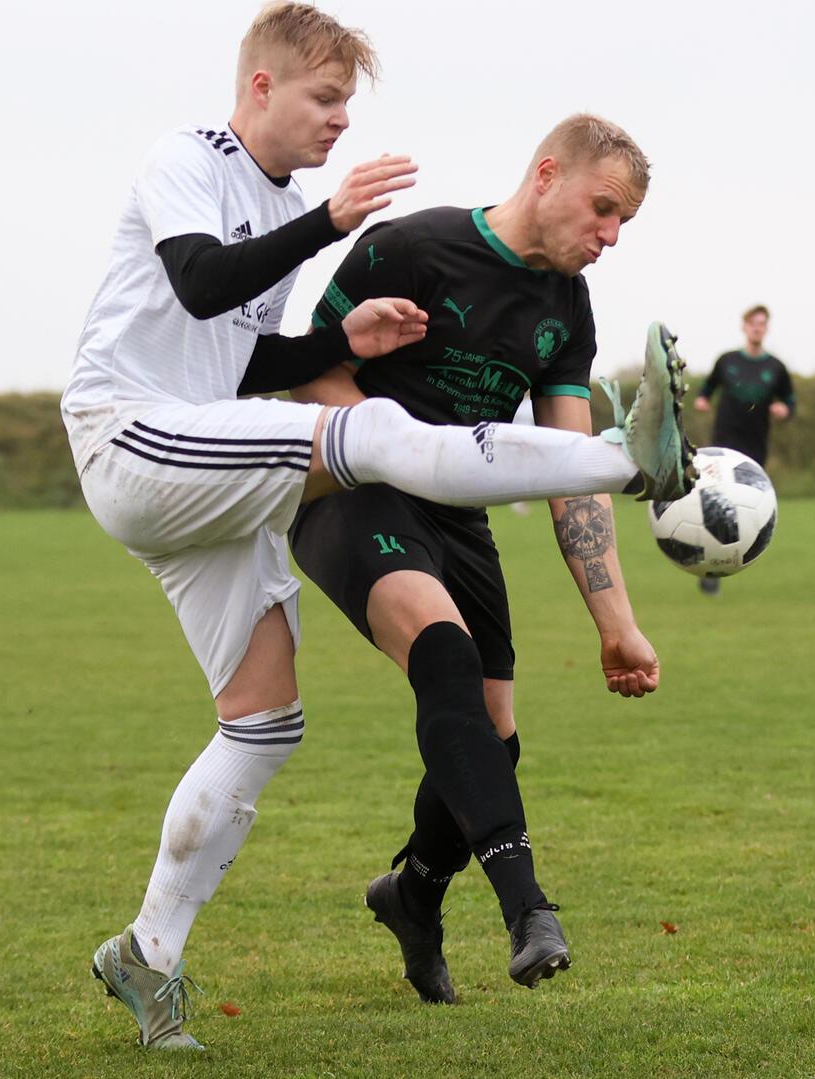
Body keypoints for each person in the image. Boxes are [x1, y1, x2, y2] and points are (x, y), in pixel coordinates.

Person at [64, 5, 691, 1051]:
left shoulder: (291, 200)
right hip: (130, 432)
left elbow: (237, 357)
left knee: (265, 720)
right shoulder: (190, 158)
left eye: (349, 104)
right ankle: (635, 458)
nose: (341, 123)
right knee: (374, 433)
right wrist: (331, 226)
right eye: (326, 99)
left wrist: (334, 333)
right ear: (261, 87)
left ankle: (146, 951)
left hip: (196, 446)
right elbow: (197, 280)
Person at [286, 114, 661, 1004]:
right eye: (602, 210)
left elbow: (573, 472)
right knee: (444, 657)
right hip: (356, 490)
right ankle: (528, 908)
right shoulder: (411, 247)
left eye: (624, 226)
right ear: (546, 175)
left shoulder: (567, 307)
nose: (608, 237)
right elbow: (310, 372)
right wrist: (392, 446)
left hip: (461, 517)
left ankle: (412, 892)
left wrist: (619, 625)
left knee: (497, 737)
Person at [692, 304, 794, 593]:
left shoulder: (775, 367)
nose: (757, 328)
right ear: (744, 326)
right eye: (753, 323)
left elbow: (790, 399)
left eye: (762, 324)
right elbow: (707, 387)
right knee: (717, 504)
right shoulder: (727, 361)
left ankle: (738, 556)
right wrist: (702, 400)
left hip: (755, 448)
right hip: (723, 447)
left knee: (748, 507)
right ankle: (710, 568)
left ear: (767, 327)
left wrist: (785, 409)